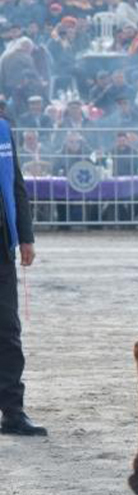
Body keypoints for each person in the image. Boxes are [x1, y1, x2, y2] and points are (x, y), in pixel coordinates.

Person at [0, 111, 43, 436]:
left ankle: (13, 412)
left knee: (7, 331)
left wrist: (25, 236)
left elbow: (16, 185)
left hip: (2, 245)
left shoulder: (2, 130)